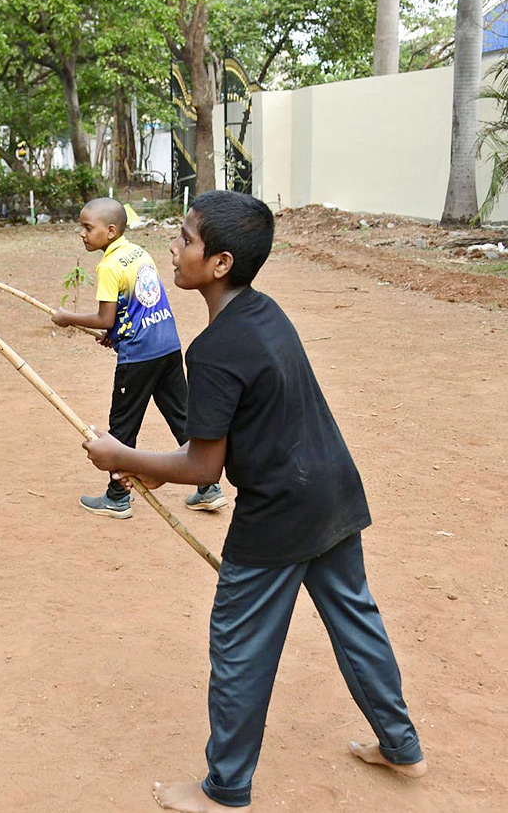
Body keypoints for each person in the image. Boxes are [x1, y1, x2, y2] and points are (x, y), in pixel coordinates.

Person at [82, 190, 425, 812]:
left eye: (186, 239)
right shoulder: (264, 312)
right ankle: (402, 745)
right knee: (356, 620)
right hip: (331, 491)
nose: (174, 247)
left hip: (278, 514)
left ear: (219, 264)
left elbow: (203, 464)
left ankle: (225, 789)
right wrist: (159, 472)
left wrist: (122, 457)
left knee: (239, 646)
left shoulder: (212, 350)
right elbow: (225, 438)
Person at [51, 197, 226, 518]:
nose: (82, 234)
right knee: (182, 415)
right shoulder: (137, 253)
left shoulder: (108, 265)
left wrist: (68, 318)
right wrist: (116, 334)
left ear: (111, 231)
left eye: (88, 228)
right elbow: (137, 306)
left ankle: (117, 496)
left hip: (139, 356)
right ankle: (208, 486)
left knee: (122, 424)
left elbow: (105, 317)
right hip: (167, 344)